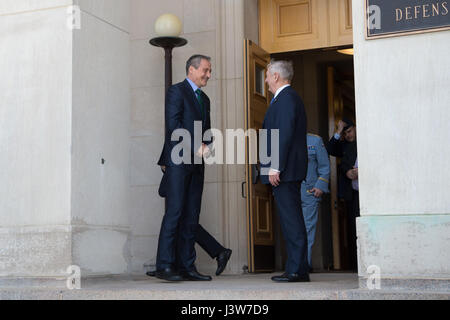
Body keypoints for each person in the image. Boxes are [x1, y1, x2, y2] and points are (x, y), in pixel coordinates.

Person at [153, 54, 214, 281]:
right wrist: (196, 146)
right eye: (205, 70)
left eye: (209, 71)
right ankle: (165, 265)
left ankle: (187, 267)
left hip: (197, 164)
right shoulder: (176, 92)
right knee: (175, 212)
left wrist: (207, 145)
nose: (208, 75)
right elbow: (174, 125)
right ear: (191, 69)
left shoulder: (205, 99)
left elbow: (207, 130)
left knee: (191, 215)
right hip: (178, 162)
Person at [260, 60, 310, 283]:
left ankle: (296, 270)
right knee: (292, 220)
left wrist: (274, 166)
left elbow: (284, 133)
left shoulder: (286, 98)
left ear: (276, 76)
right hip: (288, 170)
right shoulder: (285, 99)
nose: (266, 81)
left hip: (285, 171)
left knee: (291, 221)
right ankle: (298, 268)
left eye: (268, 76)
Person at [146, 168, 232, 277]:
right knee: (180, 218)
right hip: (180, 165)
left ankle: (172, 265)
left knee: (184, 218)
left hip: (187, 164)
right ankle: (170, 265)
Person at [326, 118, 358, 270]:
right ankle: (355, 265)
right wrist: (338, 131)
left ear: (356, 127)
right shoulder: (345, 145)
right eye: (346, 133)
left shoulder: (366, 139)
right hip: (352, 193)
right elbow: (331, 149)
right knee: (353, 229)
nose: (348, 135)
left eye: (350, 131)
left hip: (369, 192)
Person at [300, 133, 330, 272]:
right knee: (291, 228)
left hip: (309, 191)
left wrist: (320, 185)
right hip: (290, 192)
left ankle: (304, 263)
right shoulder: (283, 138)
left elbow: (324, 166)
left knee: (307, 228)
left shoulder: (315, 140)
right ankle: (294, 263)